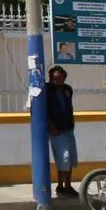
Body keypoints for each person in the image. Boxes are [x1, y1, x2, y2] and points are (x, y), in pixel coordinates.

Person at [46, 65, 78, 197]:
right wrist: (51, 126)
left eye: (60, 78)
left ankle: (68, 185)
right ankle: (60, 185)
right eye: (55, 78)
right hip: (56, 129)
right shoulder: (47, 90)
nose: (58, 81)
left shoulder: (67, 89)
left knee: (70, 158)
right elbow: (44, 110)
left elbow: (68, 104)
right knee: (62, 158)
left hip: (68, 128)